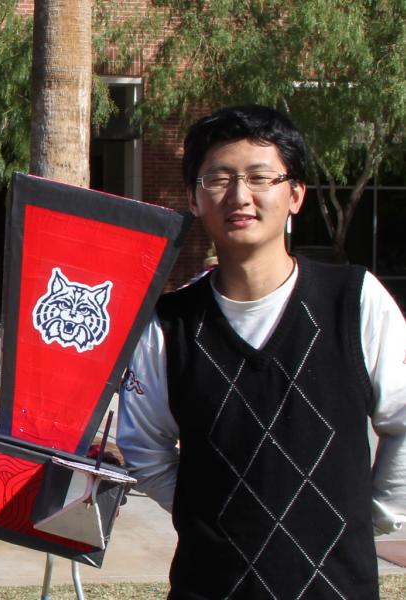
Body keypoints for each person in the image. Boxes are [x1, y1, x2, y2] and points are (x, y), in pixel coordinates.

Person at [117, 104, 406, 598]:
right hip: (209, 585)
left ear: (295, 195)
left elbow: (402, 419)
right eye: (218, 179)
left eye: (260, 177)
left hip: (337, 586)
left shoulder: (354, 300)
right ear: (194, 197)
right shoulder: (169, 325)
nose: (239, 196)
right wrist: (211, 515)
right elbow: (146, 450)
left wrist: (369, 516)